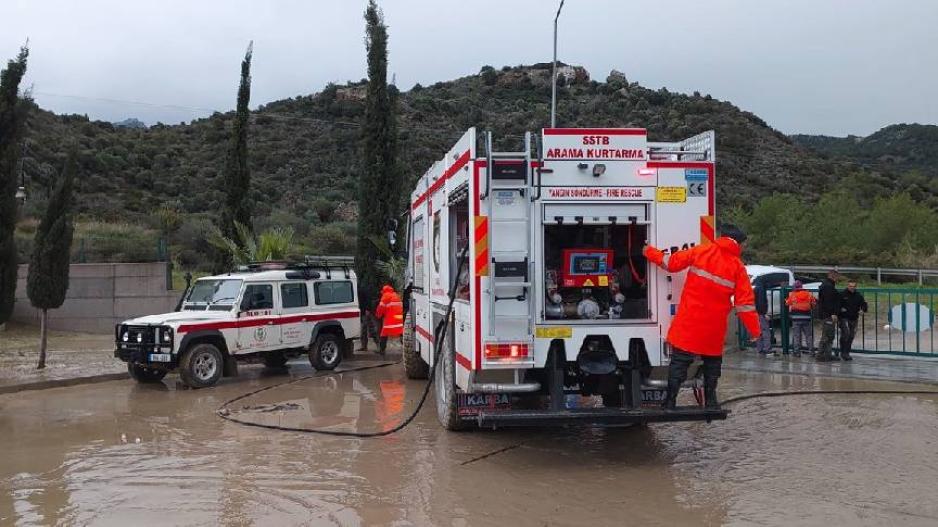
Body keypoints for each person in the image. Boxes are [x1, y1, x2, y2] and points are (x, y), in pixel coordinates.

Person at [644, 225, 761, 410]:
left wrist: (649, 251)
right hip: (713, 326)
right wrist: (754, 331)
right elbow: (745, 304)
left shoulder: (702, 251)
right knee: (712, 364)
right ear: (737, 243)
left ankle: (670, 402)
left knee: (679, 363)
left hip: (689, 321)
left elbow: (671, 263)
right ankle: (711, 402)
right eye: (744, 244)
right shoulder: (737, 267)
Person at [838, 280, 867, 361]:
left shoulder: (858, 295)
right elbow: (836, 304)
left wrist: (863, 310)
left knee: (851, 336)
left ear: (856, 287)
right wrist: (840, 309)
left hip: (854, 318)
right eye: (850, 286)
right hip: (844, 317)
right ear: (847, 286)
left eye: (854, 286)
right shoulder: (842, 294)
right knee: (846, 334)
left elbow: (864, 304)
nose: (852, 288)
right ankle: (843, 352)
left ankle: (846, 352)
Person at [785, 281, 816, 357]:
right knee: (808, 335)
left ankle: (797, 352)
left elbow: (787, 303)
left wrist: (786, 300)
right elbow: (814, 304)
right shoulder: (808, 294)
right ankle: (811, 351)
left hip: (796, 319)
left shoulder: (793, 295)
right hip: (807, 318)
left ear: (795, 287)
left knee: (796, 336)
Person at [816, 269, 841, 362]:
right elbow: (829, 302)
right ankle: (821, 355)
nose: (837, 279)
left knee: (829, 335)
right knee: (827, 336)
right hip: (828, 315)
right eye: (837, 276)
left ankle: (827, 355)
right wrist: (833, 313)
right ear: (833, 276)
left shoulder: (827, 285)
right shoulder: (828, 287)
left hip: (826, 314)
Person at [374, 284, 404, 355]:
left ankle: (382, 350)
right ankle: (406, 347)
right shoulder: (396, 295)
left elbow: (381, 308)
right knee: (401, 332)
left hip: (390, 319)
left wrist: (378, 315)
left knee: (383, 334)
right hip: (399, 318)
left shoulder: (385, 296)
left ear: (384, 291)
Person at [753, 281, 772, 356]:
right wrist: (764, 313)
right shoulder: (761, 289)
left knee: (758, 332)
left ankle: (759, 349)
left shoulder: (755, 289)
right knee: (765, 331)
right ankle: (767, 349)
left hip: (755, 313)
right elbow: (761, 303)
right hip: (760, 314)